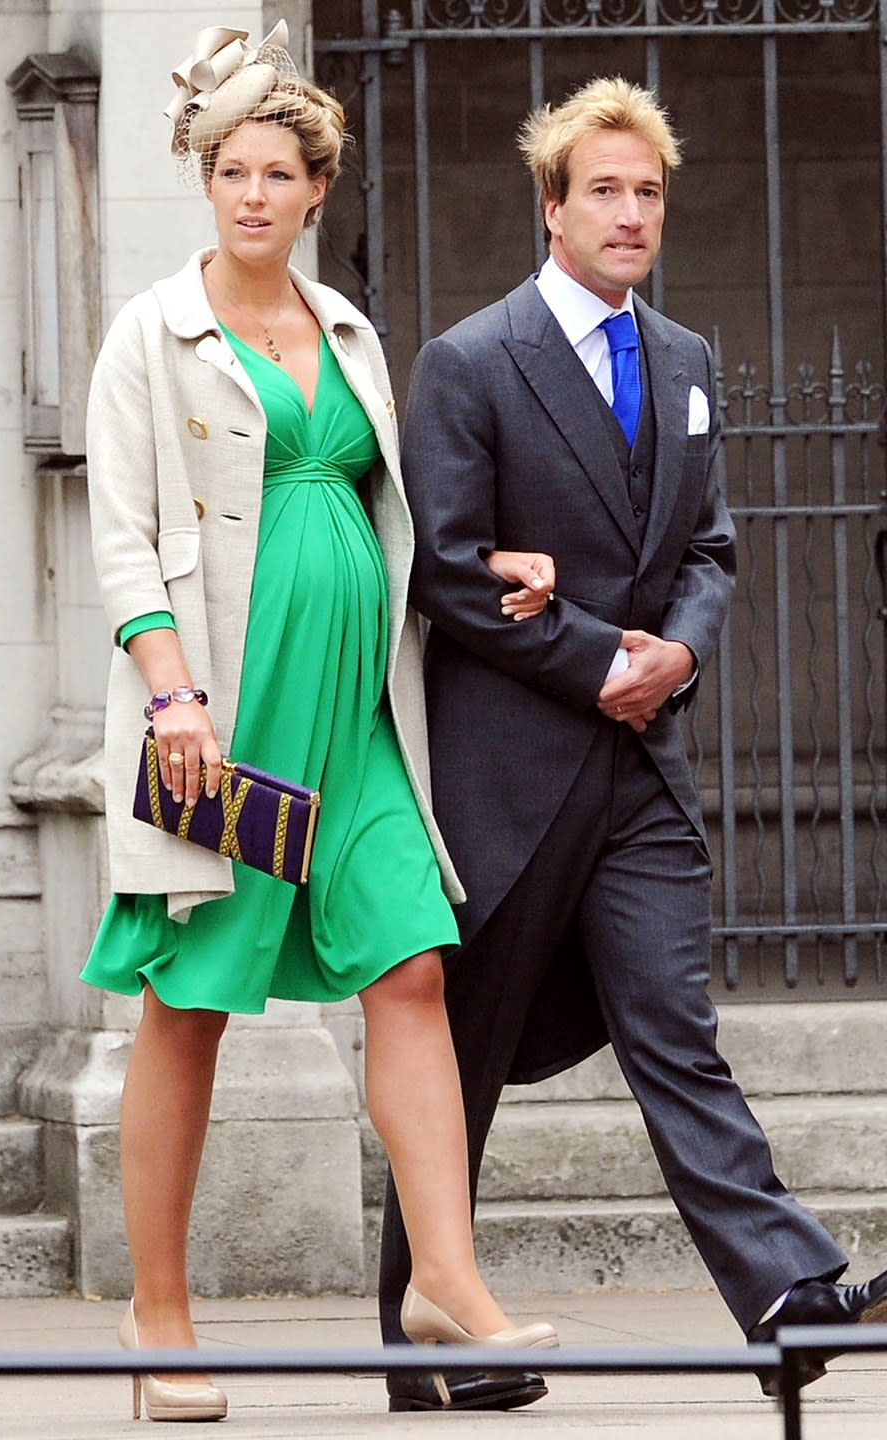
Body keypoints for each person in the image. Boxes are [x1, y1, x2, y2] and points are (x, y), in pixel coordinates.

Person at [378, 74, 887, 1413]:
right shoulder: (471, 361)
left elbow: (711, 548)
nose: (627, 211)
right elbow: (444, 568)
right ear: (551, 209)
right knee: (468, 1050)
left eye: (646, 191)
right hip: (510, 769)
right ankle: (419, 1333)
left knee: (676, 1024)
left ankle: (783, 1286)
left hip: (644, 761)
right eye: (601, 189)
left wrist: (683, 652)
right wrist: (600, 655)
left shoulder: (687, 359)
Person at [81, 20, 556, 1424]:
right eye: (233, 170)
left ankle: (446, 1283)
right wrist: (173, 697)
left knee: (411, 969)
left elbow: (390, 515)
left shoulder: (346, 329)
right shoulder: (150, 336)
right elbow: (123, 545)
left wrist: (491, 569)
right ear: (208, 181)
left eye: (278, 173)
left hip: (355, 723)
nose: (253, 194)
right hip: (224, 728)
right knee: (189, 1009)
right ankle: (159, 1319)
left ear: (313, 190)